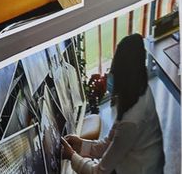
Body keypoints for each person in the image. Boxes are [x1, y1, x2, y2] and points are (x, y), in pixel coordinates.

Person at [62, 34, 166, 174]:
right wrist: (81, 144)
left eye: (114, 67)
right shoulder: (138, 89)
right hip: (139, 161)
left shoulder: (131, 121)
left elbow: (99, 172)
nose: (110, 73)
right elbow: (110, 143)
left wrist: (72, 156)